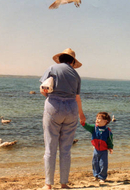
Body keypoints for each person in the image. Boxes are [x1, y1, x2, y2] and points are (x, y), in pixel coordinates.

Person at [39, 48, 86, 189]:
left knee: (50, 148)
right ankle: (64, 184)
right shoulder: (76, 75)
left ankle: (48, 185)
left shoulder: (52, 68)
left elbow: (43, 89)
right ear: (72, 61)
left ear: (60, 59)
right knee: (65, 149)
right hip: (72, 109)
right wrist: (81, 114)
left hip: (54, 106)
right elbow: (77, 97)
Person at [80, 112, 113, 183]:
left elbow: (110, 140)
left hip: (104, 151)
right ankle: (96, 176)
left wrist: (110, 147)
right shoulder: (93, 128)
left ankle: (102, 177)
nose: (97, 120)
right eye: (97, 118)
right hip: (96, 150)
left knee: (103, 164)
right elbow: (87, 126)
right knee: (95, 163)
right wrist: (83, 123)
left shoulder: (107, 131)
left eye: (99, 119)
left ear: (105, 122)